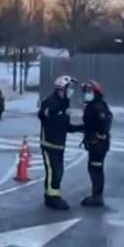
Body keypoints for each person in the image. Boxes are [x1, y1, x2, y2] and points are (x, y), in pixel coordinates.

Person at [38, 75, 82, 210]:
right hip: (49, 144)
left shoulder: (65, 103)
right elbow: (43, 114)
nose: (71, 91)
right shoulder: (51, 101)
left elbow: (66, 126)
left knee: (59, 171)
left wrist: (82, 128)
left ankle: (53, 195)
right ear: (62, 88)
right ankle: (52, 198)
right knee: (53, 172)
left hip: (59, 145)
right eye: (70, 88)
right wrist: (59, 109)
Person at [80, 80, 113, 207]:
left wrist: (98, 136)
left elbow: (104, 123)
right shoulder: (94, 105)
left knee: (96, 170)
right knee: (94, 168)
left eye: (89, 91)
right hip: (96, 143)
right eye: (85, 91)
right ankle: (96, 195)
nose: (86, 94)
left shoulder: (97, 106)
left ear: (95, 92)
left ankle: (97, 197)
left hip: (98, 144)